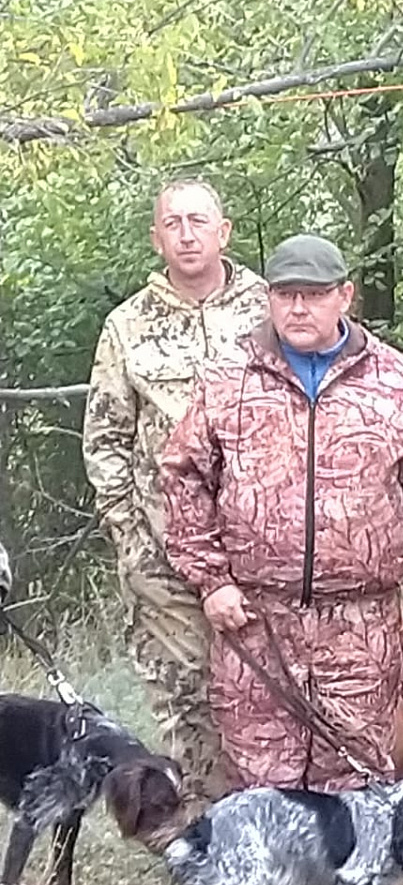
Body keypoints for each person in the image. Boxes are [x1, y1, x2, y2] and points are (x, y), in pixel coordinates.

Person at [161, 234, 403, 791]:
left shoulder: (395, 382)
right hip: (256, 623)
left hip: (361, 628)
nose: (298, 308)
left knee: (354, 787)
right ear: (269, 300)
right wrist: (211, 581)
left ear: (345, 297)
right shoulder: (228, 378)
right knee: (263, 793)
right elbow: (183, 479)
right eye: (286, 295)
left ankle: (349, 883)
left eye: (314, 295)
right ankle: (270, 884)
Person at [83, 179, 268, 812]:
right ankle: (208, 858)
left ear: (225, 231)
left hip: (259, 556)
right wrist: (130, 542)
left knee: (268, 700)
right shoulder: (128, 326)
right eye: (173, 223)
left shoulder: (270, 310)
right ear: (156, 237)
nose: (186, 234)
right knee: (189, 707)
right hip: (164, 563)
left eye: (198, 221)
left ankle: (280, 849)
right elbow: (105, 440)